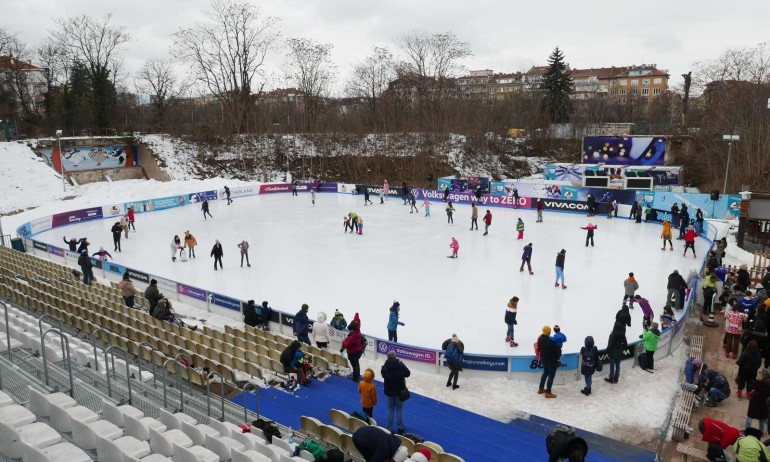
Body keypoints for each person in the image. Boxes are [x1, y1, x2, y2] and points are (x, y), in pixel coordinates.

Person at [380, 350, 410, 434]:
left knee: (390, 410)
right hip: (400, 391)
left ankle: (389, 428)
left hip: (389, 392)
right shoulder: (400, 365)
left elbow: (383, 375)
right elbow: (408, 373)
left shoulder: (384, 367)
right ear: (395, 357)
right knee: (400, 409)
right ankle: (400, 427)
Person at [537, 326, 560, 398]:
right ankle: (548, 392)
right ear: (549, 332)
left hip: (544, 359)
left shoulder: (540, 339)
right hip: (551, 361)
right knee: (551, 375)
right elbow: (557, 351)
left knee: (545, 373)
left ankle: (541, 389)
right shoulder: (551, 342)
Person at [746, 369, 770, 433]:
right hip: (765, 404)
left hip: (755, 402)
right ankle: (761, 432)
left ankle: (747, 431)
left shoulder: (759, 382)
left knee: (750, 417)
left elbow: (750, 387)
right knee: (762, 420)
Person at [341, 318, 365, 382]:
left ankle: (355, 378)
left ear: (352, 330)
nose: (348, 331)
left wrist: (344, 341)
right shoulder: (358, 333)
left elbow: (347, 344)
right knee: (356, 363)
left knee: (354, 365)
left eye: (349, 330)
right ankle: (357, 375)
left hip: (353, 353)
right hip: (358, 351)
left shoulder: (352, 337)